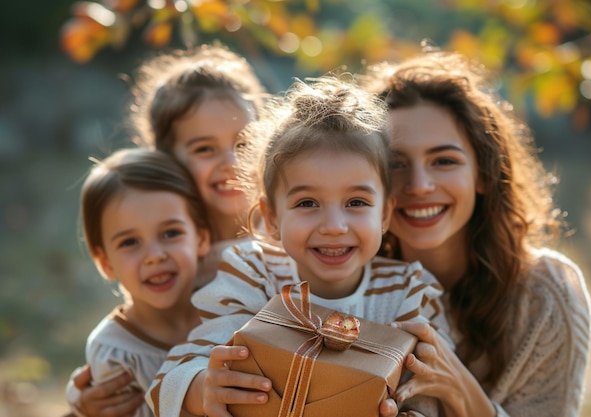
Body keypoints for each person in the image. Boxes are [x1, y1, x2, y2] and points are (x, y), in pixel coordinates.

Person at [145, 75, 452, 417]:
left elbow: (435, 393)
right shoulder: (253, 275)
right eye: (307, 203)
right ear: (272, 217)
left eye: (356, 202)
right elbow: (167, 380)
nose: (334, 226)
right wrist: (203, 388)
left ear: (385, 214)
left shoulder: (409, 294)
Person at [359, 46, 591, 417]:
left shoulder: (547, 295)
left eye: (444, 161)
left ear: (484, 174)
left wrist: (459, 389)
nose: (419, 185)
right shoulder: (340, 286)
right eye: (395, 163)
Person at [66, 43, 268, 417]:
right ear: (166, 160)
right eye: (205, 149)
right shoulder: (176, 260)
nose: (231, 163)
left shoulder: (287, 240)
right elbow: (138, 351)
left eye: (244, 143)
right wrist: (80, 408)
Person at [66, 147, 211, 417]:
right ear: (105, 262)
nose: (154, 256)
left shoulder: (234, 308)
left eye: (170, 233)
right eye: (129, 242)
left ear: (201, 238)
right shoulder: (113, 352)